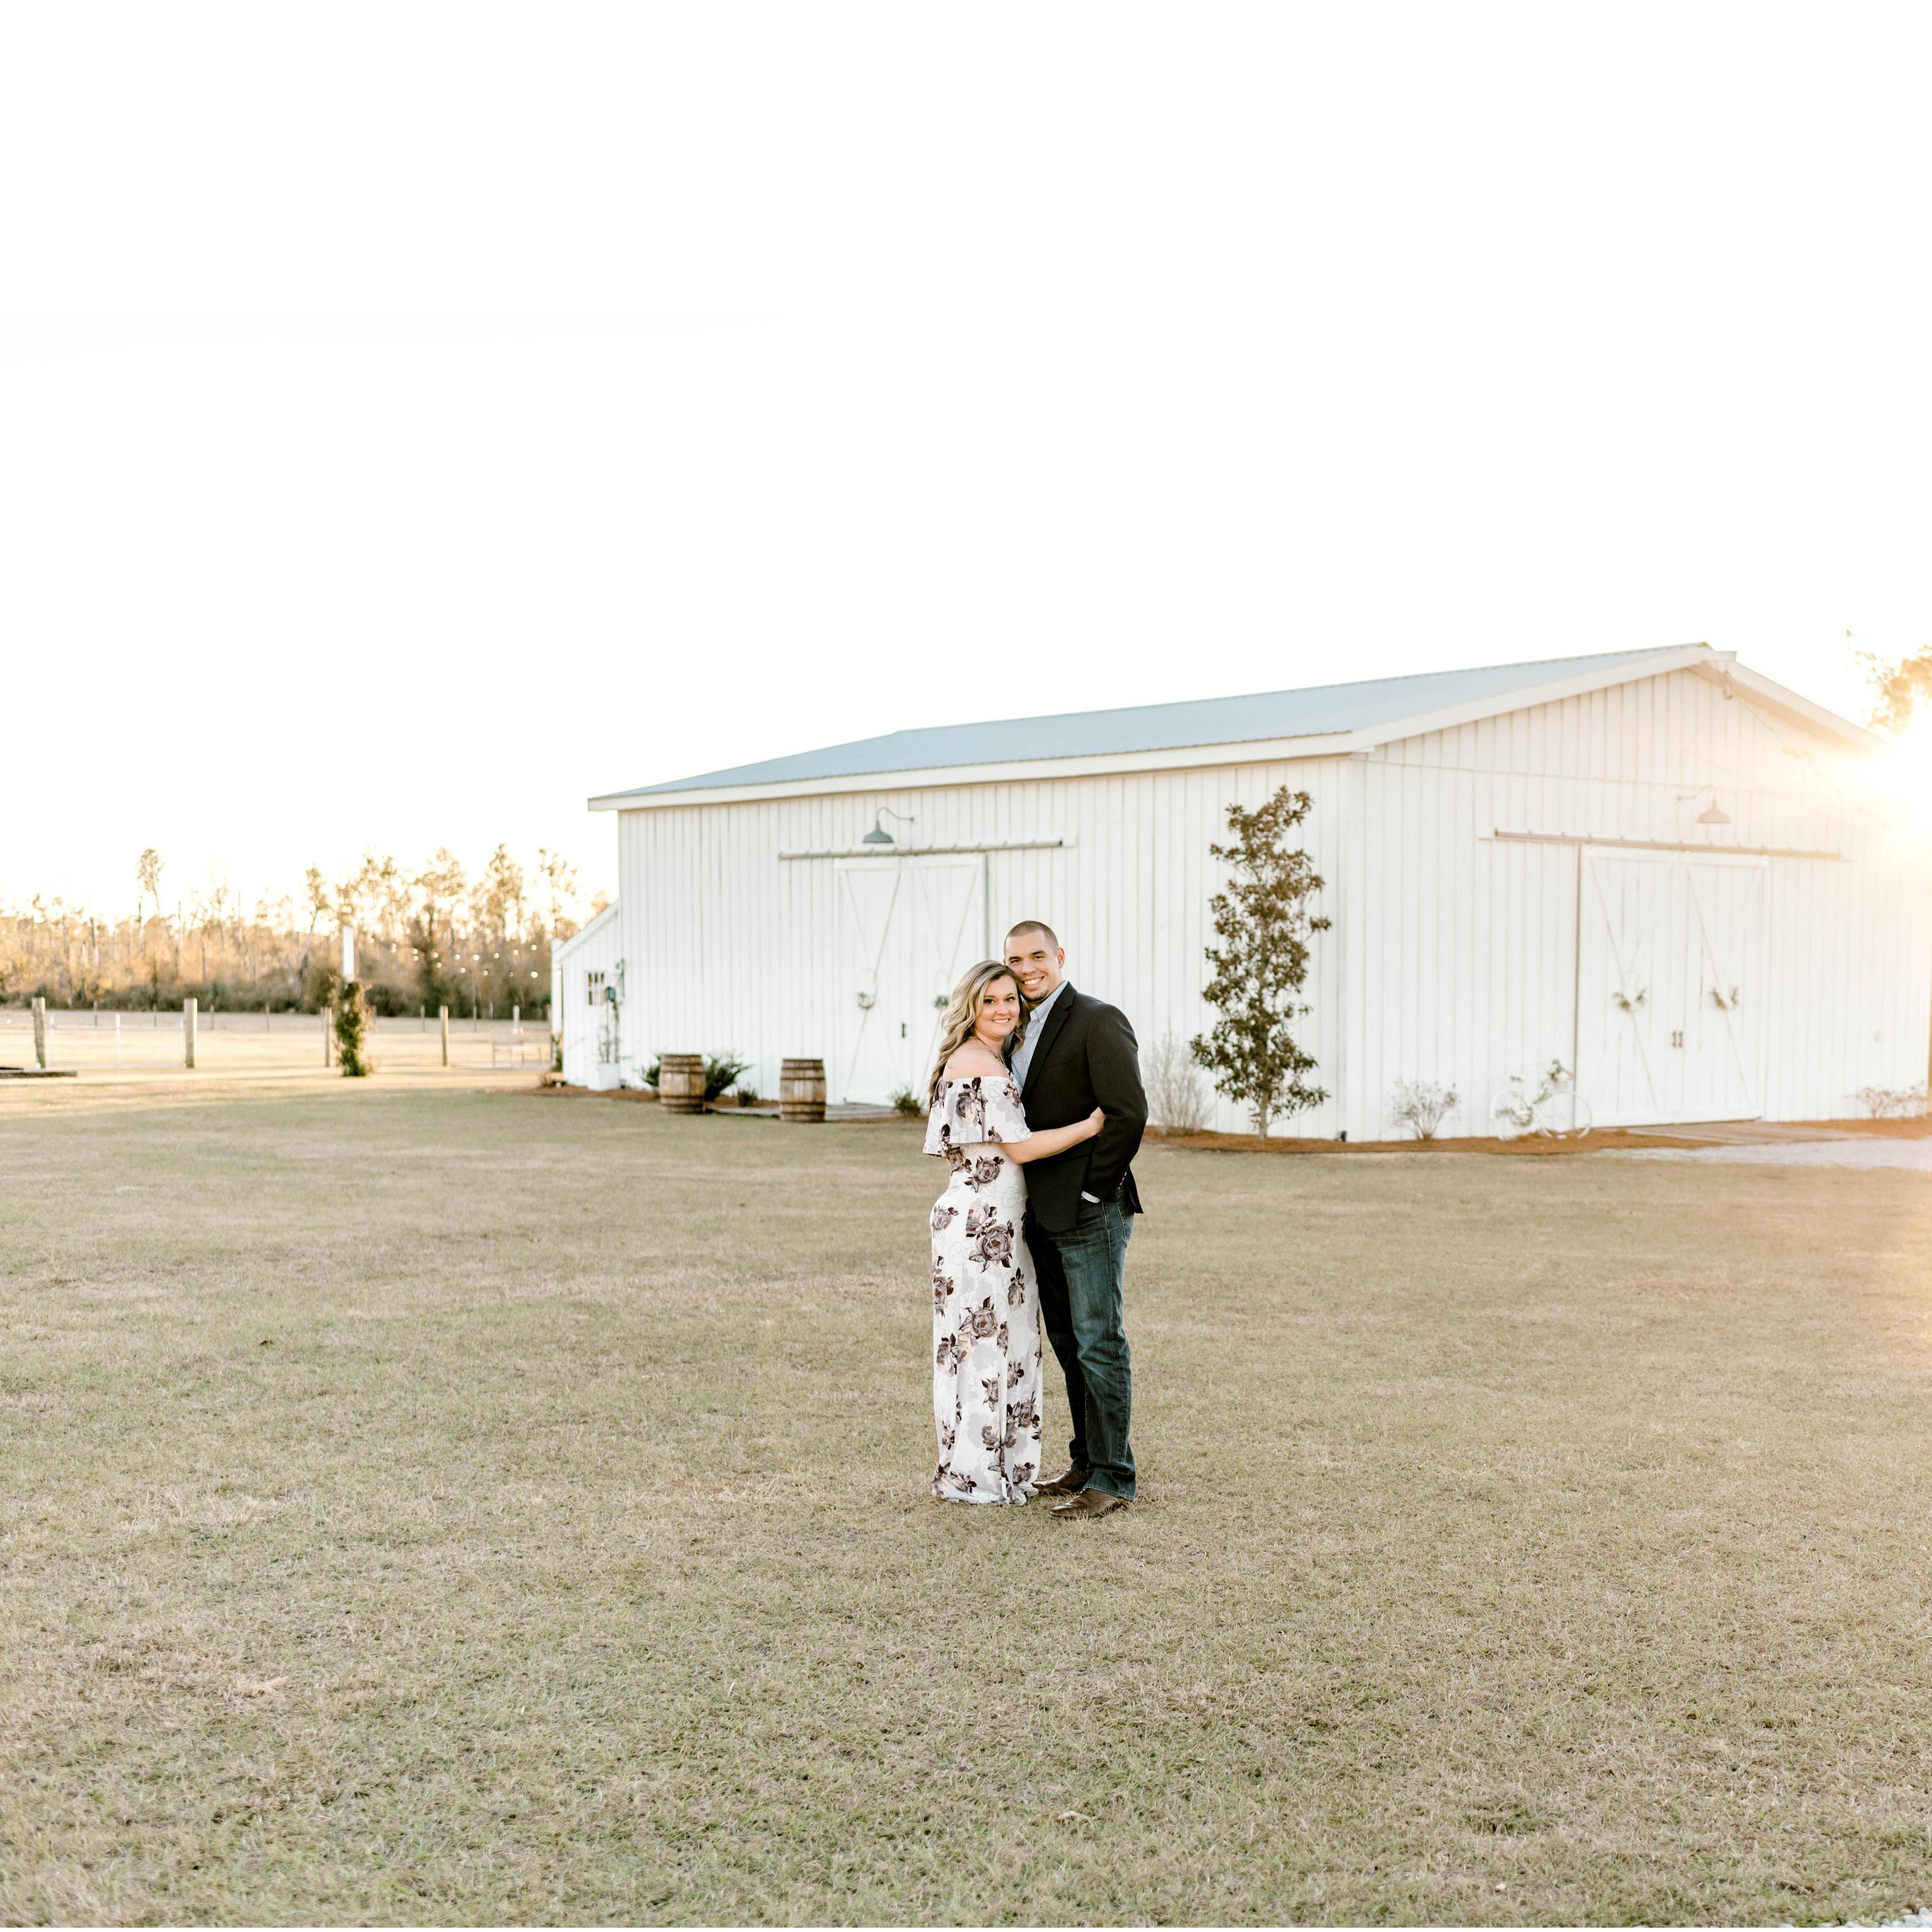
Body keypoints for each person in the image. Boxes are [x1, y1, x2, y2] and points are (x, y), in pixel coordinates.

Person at [924, 959, 1105, 1505]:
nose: (1003, 1009)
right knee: (981, 1349)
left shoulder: (992, 1057)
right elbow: (1021, 1148)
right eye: (990, 1001)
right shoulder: (978, 1063)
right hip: (980, 1227)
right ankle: (977, 1476)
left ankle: (1000, 1467)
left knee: (1005, 1346)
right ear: (971, 1007)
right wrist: (1091, 1125)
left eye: (1010, 999)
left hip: (999, 1225)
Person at [1003, 920, 1147, 1519]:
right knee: (1067, 1344)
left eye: (1037, 955)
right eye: (1015, 960)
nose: (1027, 968)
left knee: (1098, 1341)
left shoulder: (1097, 1019)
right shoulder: (1013, 1028)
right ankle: (1085, 1462)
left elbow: (1127, 1113)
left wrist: (1093, 1191)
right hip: (1040, 1211)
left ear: (1059, 955)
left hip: (1091, 1212)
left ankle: (1113, 1478)